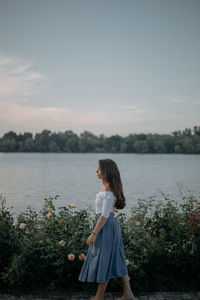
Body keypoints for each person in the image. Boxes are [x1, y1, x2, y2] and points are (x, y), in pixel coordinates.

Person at [78, 158, 137, 300]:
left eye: (99, 169)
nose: (96, 171)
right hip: (107, 226)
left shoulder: (108, 190)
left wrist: (93, 234)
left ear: (106, 171)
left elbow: (104, 216)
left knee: (104, 259)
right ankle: (128, 294)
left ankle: (99, 297)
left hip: (106, 227)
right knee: (117, 258)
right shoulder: (106, 187)